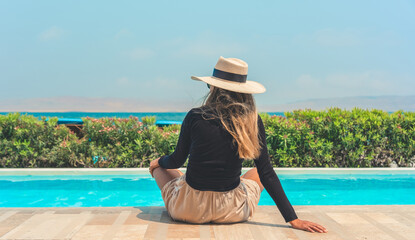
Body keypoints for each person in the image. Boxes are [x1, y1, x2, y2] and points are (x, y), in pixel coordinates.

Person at [149, 56, 328, 233]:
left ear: (214, 88)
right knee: (257, 172)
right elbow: (267, 173)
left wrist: (159, 162)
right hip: (231, 212)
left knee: (163, 169)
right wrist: (293, 219)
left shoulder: (195, 116)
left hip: (189, 211)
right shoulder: (250, 120)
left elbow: (175, 161)